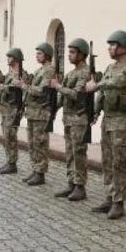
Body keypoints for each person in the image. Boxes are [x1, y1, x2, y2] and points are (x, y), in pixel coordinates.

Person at [86, 31, 126, 218]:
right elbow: (103, 92)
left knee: (120, 161)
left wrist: (96, 86)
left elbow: (115, 83)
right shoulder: (111, 67)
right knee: (107, 160)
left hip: (123, 121)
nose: (109, 48)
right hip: (109, 118)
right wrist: (95, 110)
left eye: (113, 45)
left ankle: (119, 202)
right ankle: (110, 196)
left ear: (124, 47)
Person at [50, 38, 91, 201]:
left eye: (73, 52)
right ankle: (71, 183)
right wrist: (53, 108)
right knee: (69, 153)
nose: (69, 55)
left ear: (82, 54)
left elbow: (76, 94)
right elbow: (63, 97)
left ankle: (80, 187)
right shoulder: (70, 73)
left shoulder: (86, 73)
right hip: (68, 119)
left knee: (78, 153)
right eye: (69, 52)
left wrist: (58, 87)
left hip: (79, 119)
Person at [16, 43, 55, 186]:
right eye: (37, 53)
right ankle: (35, 169)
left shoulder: (49, 70)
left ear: (47, 55)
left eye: (39, 53)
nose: (37, 56)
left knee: (40, 143)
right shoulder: (40, 70)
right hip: (33, 112)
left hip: (41, 113)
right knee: (32, 143)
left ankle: (40, 173)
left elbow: (41, 91)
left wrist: (24, 86)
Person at [0, 48, 27, 174]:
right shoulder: (9, 74)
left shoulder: (20, 74)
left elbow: (14, 90)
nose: (7, 58)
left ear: (16, 59)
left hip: (14, 109)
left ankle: (12, 163)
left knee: (10, 136)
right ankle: (9, 161)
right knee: (6, 136)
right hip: (5, 109)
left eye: (10, 56)